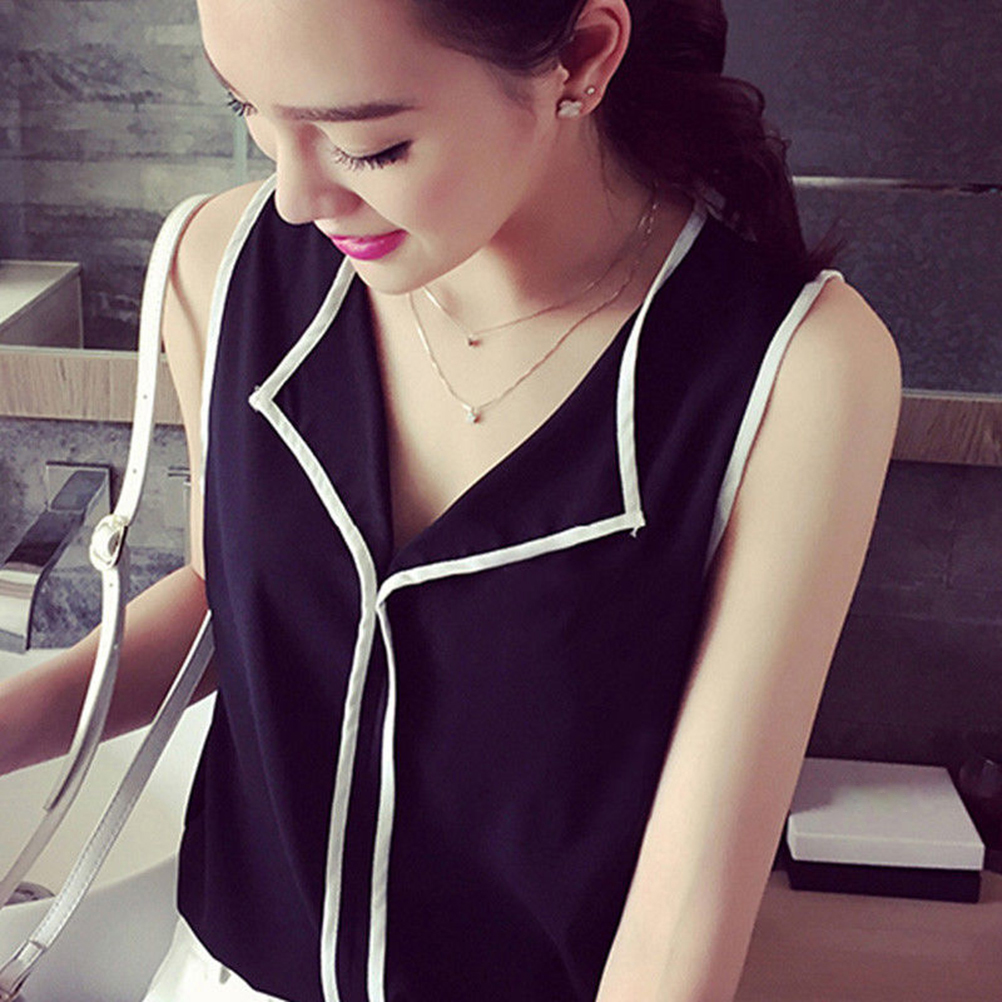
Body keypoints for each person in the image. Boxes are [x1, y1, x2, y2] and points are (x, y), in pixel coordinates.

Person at [0, 0, 902, 1000]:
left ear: (581, 56)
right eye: (245, 107)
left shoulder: (797, 370)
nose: (295, 198)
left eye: (369, 145)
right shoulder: (218, 263)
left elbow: (680, 921)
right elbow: (230, 602)